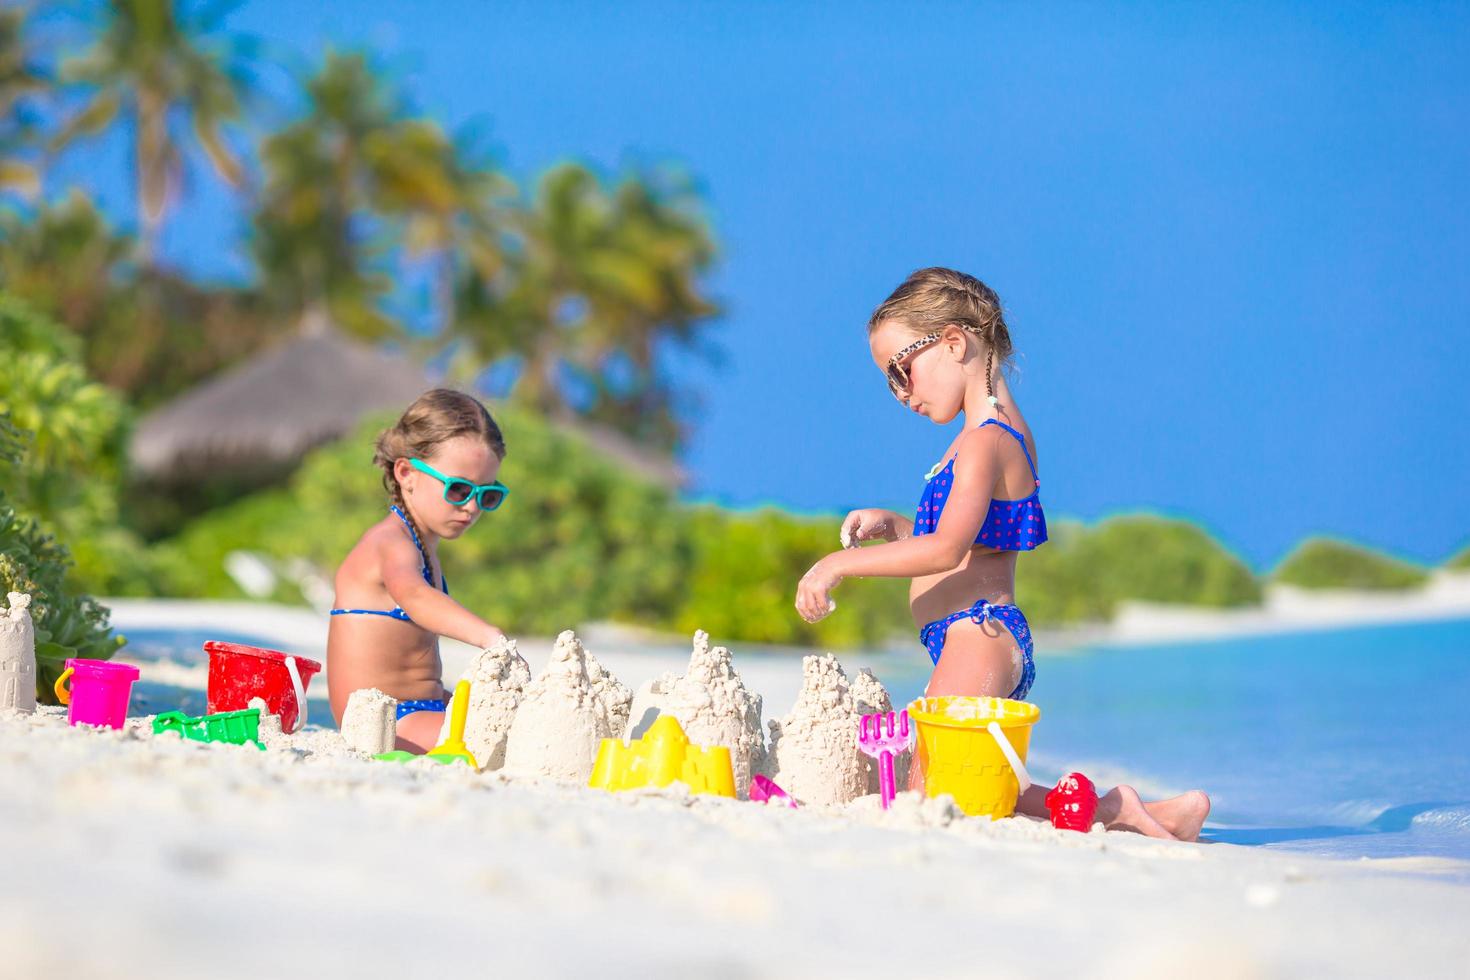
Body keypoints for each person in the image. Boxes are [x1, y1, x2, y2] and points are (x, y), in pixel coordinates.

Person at [794, 267, 1210, 840]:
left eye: (901, 371)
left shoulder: (988, 439)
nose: (900, 393)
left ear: (953, 342)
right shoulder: (987, 434)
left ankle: (1120, 809)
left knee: (933, 792)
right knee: (981, 782)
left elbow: (945, 548)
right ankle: (1133, 812)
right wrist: (894, 524)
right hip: (968, 637)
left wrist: (835, 564)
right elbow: (969, 537)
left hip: (978, 635)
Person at [327, 388, 509, 752]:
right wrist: (490, 637)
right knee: (505, 740)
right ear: (407, 473)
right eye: (458, 490)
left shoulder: (423, 546)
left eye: (487, 495)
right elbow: (413, 596)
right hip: (387, 719)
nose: (471, 508)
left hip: (423, 706)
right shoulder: (390, 542)